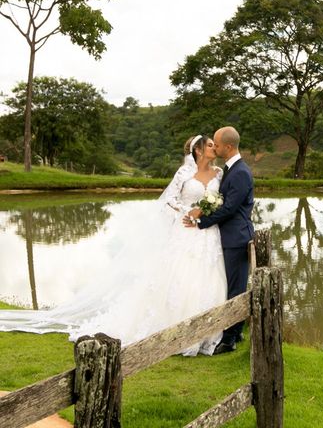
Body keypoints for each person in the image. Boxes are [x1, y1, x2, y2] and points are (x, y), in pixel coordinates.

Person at [0, 135, 227, 356]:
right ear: (198, 150)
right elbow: (169, 199)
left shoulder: (219, 173)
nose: (213, 148)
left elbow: (224, 200)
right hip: (185, 229)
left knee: (207, 277)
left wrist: (208, 211)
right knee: (178, 277)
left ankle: (207, 331)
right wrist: (188, 211)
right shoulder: (184, 173)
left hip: (209, 233)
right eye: (209, 145)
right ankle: (174, 330)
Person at [184, 126, 255, 355]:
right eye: (210, 144)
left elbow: (230, 208)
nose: (214, 147)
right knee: (230, 286)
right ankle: (233, 331)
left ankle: (231, 338)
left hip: (237, 237)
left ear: (228, 146)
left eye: (216, 143)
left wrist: (201, 222)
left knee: (236, 288)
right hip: (226, 237)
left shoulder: (241, 172)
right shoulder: (229, 170)